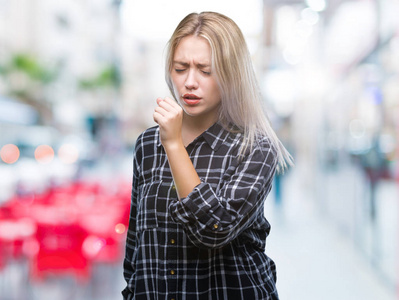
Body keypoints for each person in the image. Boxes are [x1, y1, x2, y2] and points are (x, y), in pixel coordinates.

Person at [122, 11, 293, 300]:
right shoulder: (148, 145)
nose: (190, 82)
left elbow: (215, 229)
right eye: (180, 68)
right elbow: (135, 248)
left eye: (205, 70)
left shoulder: (255, 147)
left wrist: (174, 145)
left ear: (230, 74)